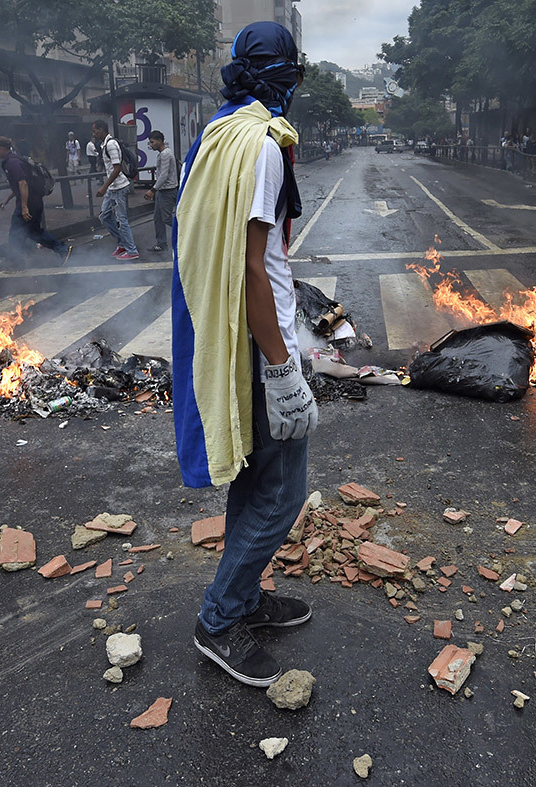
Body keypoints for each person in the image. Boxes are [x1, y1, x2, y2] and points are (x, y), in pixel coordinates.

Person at [173, 21, 316, 688]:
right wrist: (283, 368)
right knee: (282, 493)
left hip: (239, 340)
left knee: (255, 482)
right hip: (260, 351)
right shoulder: (259, 146)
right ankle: (220, 617)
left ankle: (244, 595)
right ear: (282, 75)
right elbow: (254, 269)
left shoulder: (217, 133)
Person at [0, 135, 69, 260]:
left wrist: (24, 207)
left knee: (15, 234)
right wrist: (8, 198)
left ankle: (16, 262)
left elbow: (23, 183)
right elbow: (20, 184)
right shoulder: (14, 160)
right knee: (34, 232)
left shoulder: (12, 162)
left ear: (2, 148)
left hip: (29, 204)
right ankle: (62, 249)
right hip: (34, 202)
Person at [91, 119, 139, 260]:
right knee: (104, 216)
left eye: (95, 131)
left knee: (121, 219)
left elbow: (117, 168)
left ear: (101, 129)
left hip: (118, 187)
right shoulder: (104, 144)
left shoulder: (111, 144)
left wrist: (104, 187)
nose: (94, 134)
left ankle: (132, 250)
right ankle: (122, 243)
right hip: (113, 188)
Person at [143, 130, 177, 252]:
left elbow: (164, 175)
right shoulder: (163, 153)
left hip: (167, 190)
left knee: (166, 218)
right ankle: (161, 242)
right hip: (162, 190)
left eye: (152, 142)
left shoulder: (165, 154)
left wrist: (153, 189)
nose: (151, 145)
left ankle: (184, 234)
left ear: (159, 141)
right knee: (158, 218)